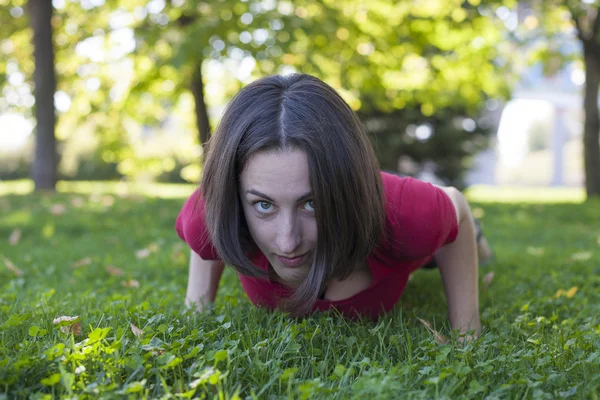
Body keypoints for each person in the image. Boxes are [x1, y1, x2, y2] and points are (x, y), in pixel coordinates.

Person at [176, 73, 491, 339]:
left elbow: (457, 208)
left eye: (312, 203)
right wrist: (196, 315)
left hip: (399, 244)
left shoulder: (406, 213)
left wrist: (467, 334)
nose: (288, 241)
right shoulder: (212, 215)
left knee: (428, 245)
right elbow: (206, 230)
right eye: (263, 205)